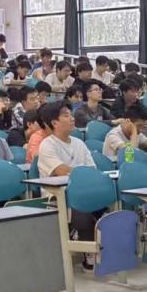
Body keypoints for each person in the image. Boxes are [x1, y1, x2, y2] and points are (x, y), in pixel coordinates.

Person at [35, 102, 101, 268]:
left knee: (108, 203)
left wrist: (81, 175)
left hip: (84, 192)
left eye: (71, 114)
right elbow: (61, 171)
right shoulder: (47, 145)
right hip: (59, 198)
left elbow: (92, 170)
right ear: (54, 122)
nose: (72, 118)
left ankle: (101, 247)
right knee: (83, 210)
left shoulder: (79, 143)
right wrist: (82, 174)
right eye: (66, 115)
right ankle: (88, 253)